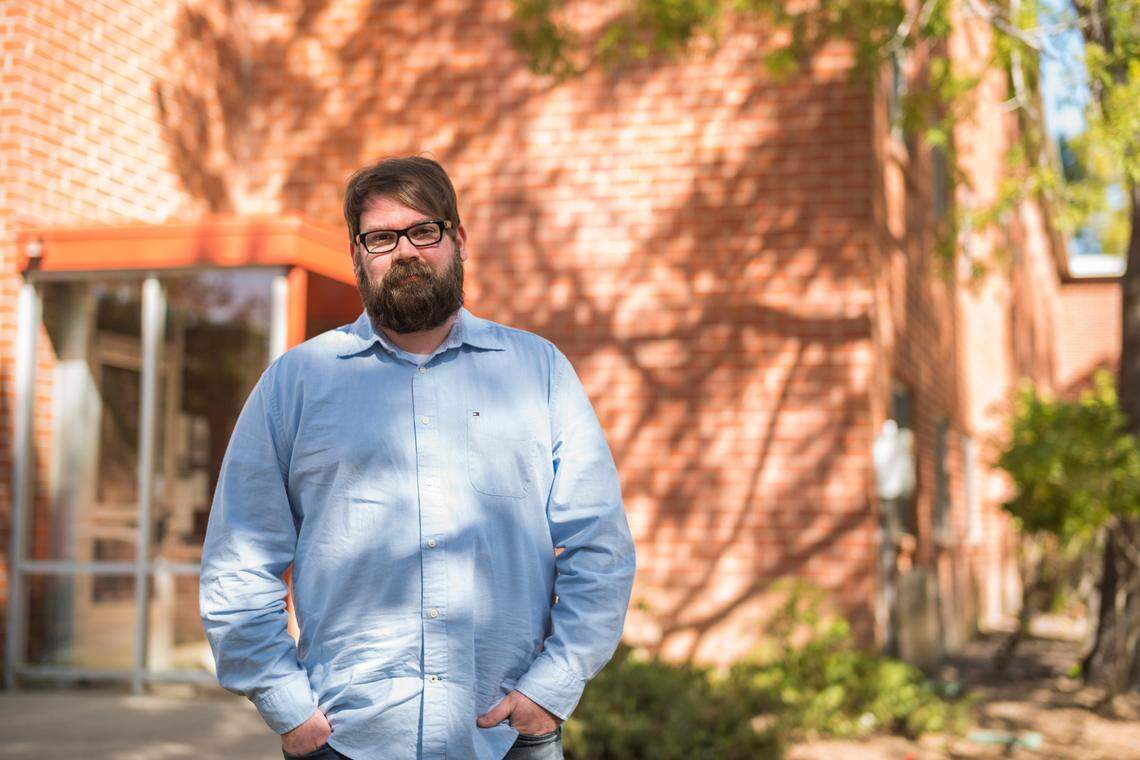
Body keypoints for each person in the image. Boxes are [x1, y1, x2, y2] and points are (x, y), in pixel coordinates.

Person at [199, 156, 637, 760]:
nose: (404, 251)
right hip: (346, 742)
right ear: (356, 255)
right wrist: (288, 707)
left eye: (423, 230)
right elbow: (238, 561)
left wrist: (553, 687)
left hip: (510, 738)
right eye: (380, 237)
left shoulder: (539, 373)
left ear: (457, 239)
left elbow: (600, 546)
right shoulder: (294, 385)